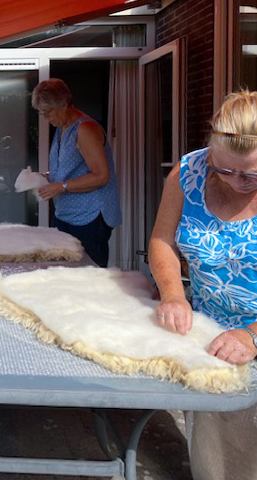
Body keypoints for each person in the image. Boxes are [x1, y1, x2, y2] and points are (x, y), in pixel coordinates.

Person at [149, 90, 257, 480]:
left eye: (251, 175)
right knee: (216, 456)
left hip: (250, 333)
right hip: (211, 334)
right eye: (224, 169)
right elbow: (162, 239)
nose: (236, 182)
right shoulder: (189, 172)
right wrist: (174, 295)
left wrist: (251, 334)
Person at [31, 78, 121, 267]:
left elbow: (101, 176)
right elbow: (70, 169)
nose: (46, 118)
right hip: (66, 215)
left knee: (88, 274)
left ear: (64, 105)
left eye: (48, 112)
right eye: (42, 113)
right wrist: (46, 177)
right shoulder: (62, 128)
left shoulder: (86, 129)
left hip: (89, 217)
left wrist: (61, 186)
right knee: (63, 272)